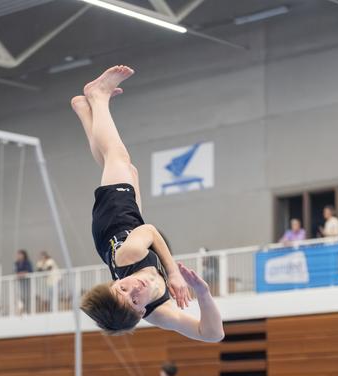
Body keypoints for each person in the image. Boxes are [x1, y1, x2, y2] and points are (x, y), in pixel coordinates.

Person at [71, 65, 224, 342]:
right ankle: (84, 111)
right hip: (132, 224)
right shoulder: (159, 312)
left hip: (114, 221)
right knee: (127, 169)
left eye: (121, 289)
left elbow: (151, 232)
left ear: (114, 282)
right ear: (141, 313)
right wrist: (203, 294)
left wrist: (174, 275)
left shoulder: (128, 256)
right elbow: (212, 335)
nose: (133, 287)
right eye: (133, 299)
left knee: (117, 157)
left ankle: (98, 96)